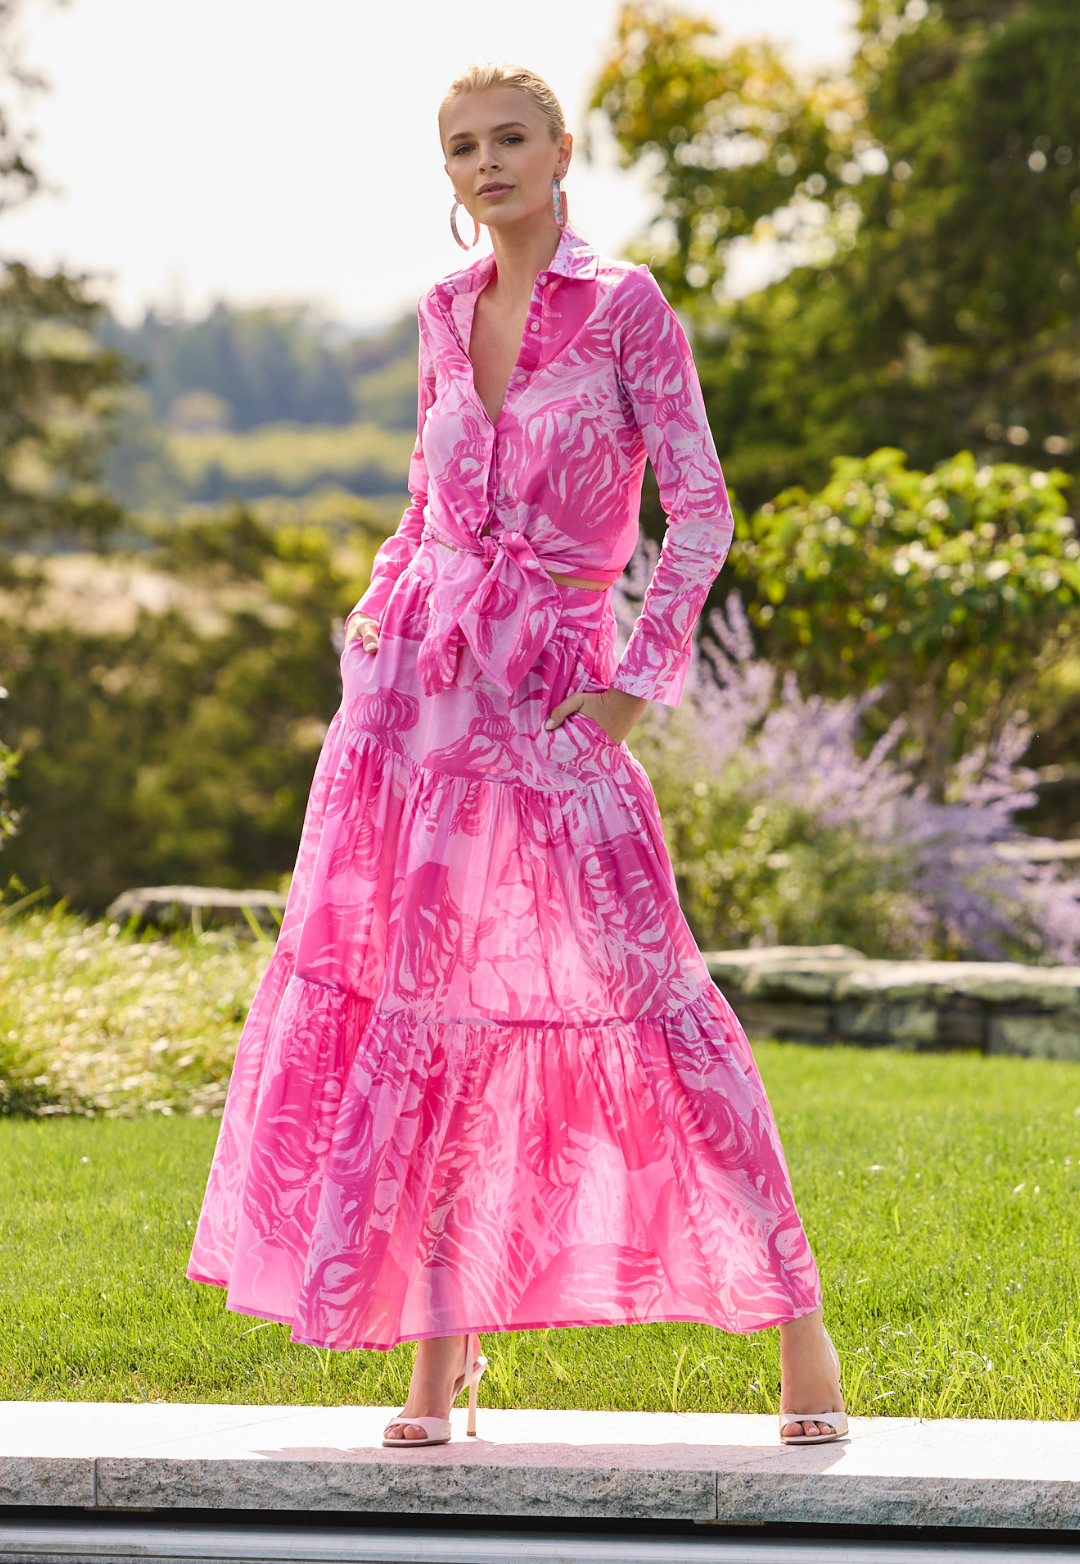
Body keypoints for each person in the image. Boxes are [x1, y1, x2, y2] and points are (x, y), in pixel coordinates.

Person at [187, 61, 846, 1450]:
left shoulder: (627, 309)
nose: (485, 165)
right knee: (426, 1025)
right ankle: (429, 1375)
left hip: (553, 715)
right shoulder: (440, 312)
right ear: (449, 174)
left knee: (657, 997)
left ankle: (802, 1334)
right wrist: (371, 629)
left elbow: (705, 511)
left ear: (560, 151)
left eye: (508, 141)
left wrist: (630, 691)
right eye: (460, 148)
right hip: (415, 718)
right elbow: (428, 507)